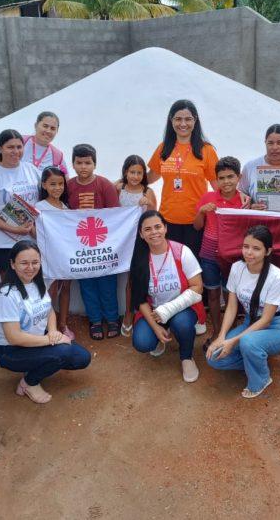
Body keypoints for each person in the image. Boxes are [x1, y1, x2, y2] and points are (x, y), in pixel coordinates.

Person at [0, 240, 91, 404]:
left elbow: (49, 310)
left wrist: (53, 331)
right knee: (63, 352)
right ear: (12, 264)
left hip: (36, 340)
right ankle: (29, 383)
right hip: (11, 350)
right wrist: (51, 340)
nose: (30, 268)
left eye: (35, 262)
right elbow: (14, 337)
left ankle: (36, 363)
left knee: (82, 358)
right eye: (24, 263)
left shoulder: (37, 283)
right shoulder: (6, 294)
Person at [206, 226, 280, 398]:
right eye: (246, 246)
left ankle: (261, 379)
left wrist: (233, 341)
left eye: (256, 248)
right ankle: (256, 358)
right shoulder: (237, 268)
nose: (249, 253)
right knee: (214, 358)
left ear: (268, 251)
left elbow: (267, 319)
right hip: (249, 323)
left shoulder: (276, 276)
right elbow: (231, 306)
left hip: (276, 327)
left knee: (248, 342)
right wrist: (222, 336)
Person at [130, 210, 205, 383]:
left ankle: (186, 357)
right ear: (141, 234)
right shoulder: (139, 258)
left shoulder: (181, 251)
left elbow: (198, 287)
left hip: (182, 309)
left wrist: (169, 309)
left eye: (158, 227)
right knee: (142, 343)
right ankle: (159, 337)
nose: (154, 232)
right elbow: (140, 299)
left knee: (182, 325)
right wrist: (156, 328)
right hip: (154, 312)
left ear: (165, 228)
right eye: (147, 229)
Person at [147, 99, 219, 256]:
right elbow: (150, 177)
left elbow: (218, 186)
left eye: (188, 119)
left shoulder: (206, 150)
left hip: (196, 222)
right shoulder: (163, 148)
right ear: (171, 121)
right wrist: (124, 183)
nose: (183, 124)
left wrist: (238, 196)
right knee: (172, 268)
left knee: (193, 269)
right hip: (167, 221)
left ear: (195, 120)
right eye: (178, 119)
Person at [67, 144, 121, 339]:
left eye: (87, 163)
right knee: (87, 284)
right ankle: (95, 320)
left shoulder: (104, 185)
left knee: (107, 282)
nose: (83, 167)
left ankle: (113, 318)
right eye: (79, 162)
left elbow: (115, 216)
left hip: (103, 245)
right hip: (80, 246)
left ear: (95, 164)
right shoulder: (68, 186)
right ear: (72, 164)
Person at [194, 156, 244, 348]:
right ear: (216, 179)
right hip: (209, 254)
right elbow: (197, 226)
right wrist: (202, 212)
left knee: (232, 294)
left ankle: (231, 332)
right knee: (213, 295)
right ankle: (216, 331)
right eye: (221, 178)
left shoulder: (244, 200)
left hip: (233, 256)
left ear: (239, 177)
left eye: (230, 176)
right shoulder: (208, 197)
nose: (226, 182)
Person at [0, 129, 41, 279]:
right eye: (10, 147)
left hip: (32, 239)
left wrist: (35, 230)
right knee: (9, 287)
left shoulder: (32, 170)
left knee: (32, 286)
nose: (15, 151)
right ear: (0, 148)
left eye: (19, 147)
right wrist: (14, 229)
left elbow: (43, 202)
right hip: (4, 243)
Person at [116, 155, 157, 337]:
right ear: (125, 171)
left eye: (139, 172)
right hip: (122, 242)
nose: (135, 176)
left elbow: (155, 217)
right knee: (129, 281)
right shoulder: (118, 188)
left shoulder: (147, 192)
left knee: (143, 278)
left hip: (142, 242)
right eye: (132, 172)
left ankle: (146, 313)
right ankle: (128, 313)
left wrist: (147, 205)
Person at [34, 166, 74, 340]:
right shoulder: (38, 208)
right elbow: (34, 232)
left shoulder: (66, 208)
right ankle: (47, 327)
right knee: (49, 290)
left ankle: (63, 324)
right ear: (44, 185)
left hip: (65, 256)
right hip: (46, 257)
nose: (57, 188)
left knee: (66, 288)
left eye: (60, 184)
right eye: (52, 184)